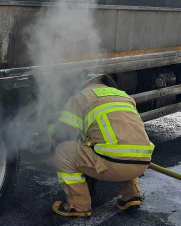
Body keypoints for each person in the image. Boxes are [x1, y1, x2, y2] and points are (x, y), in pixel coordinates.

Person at [48, 74, 154, 217]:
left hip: (114, 165)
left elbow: (64, 133)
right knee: (122, 147)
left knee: (63, 151)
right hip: (142, 162)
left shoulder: (81, 97)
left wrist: (49, 131)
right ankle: (131, 195)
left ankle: (79, 205)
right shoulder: (125, 96)